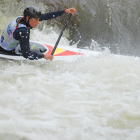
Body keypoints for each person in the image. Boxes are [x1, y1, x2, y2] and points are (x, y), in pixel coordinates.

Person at [0, 6, 76, 60]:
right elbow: (26, 54)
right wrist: (43, 56)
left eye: (38, 19)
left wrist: (64, 11)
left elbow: (46, 16)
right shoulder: (23, 31)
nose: (38, 22)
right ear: (27, 18)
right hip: (7, 50)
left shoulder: (20, 18)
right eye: (36, 20)